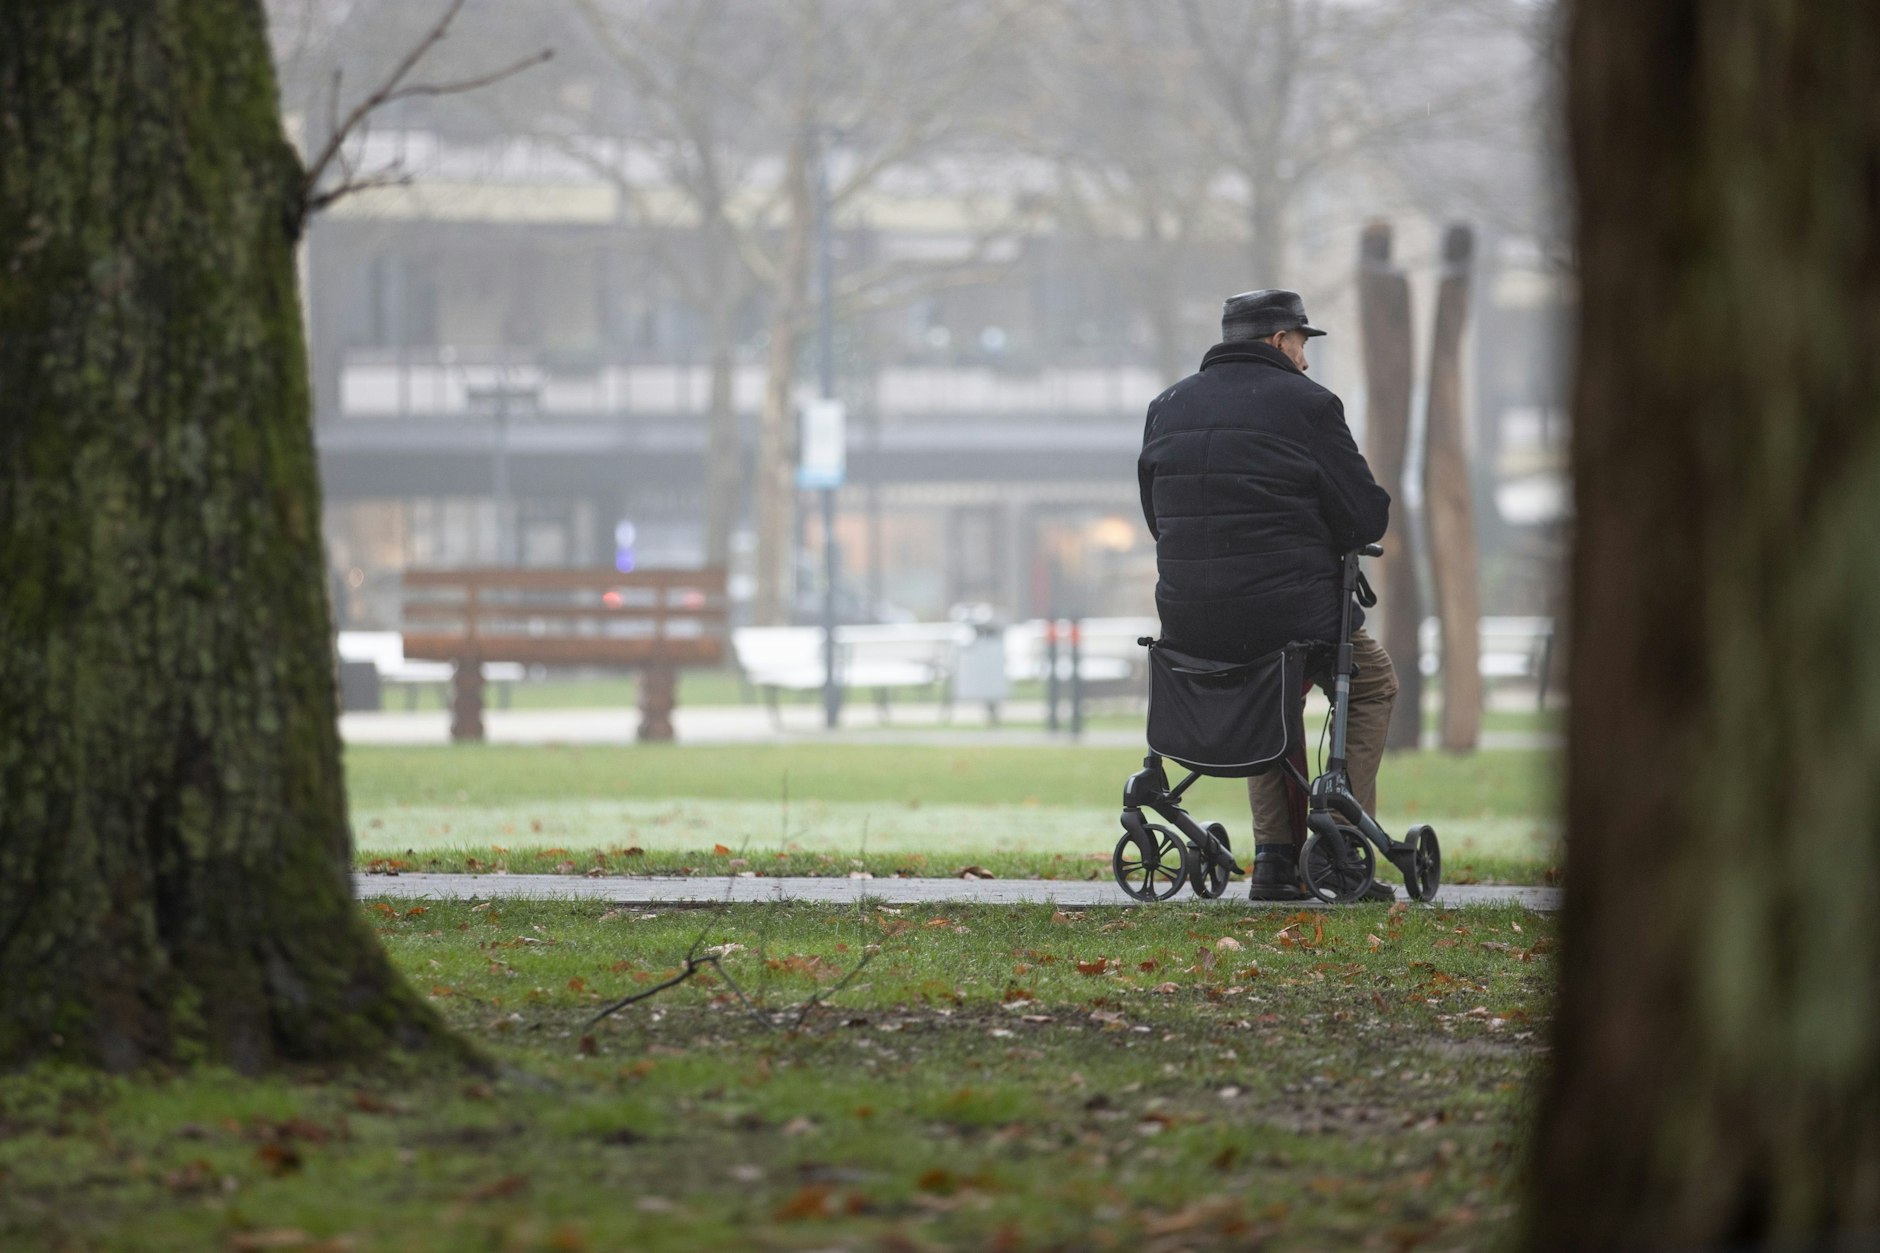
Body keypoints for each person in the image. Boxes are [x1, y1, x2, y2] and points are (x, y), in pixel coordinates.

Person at [1137, 289, 1399, 902]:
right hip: (1291, 612)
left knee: (1265, 697)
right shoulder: (1309, 404)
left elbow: (1157, 515)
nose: (1305, 359)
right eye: (1302, 344)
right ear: (1280, 340)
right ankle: (1339, 844)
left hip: (1188, 617)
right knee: (1373, 683)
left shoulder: (1167, 405)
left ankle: (1277, 860)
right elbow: (1365, 516)